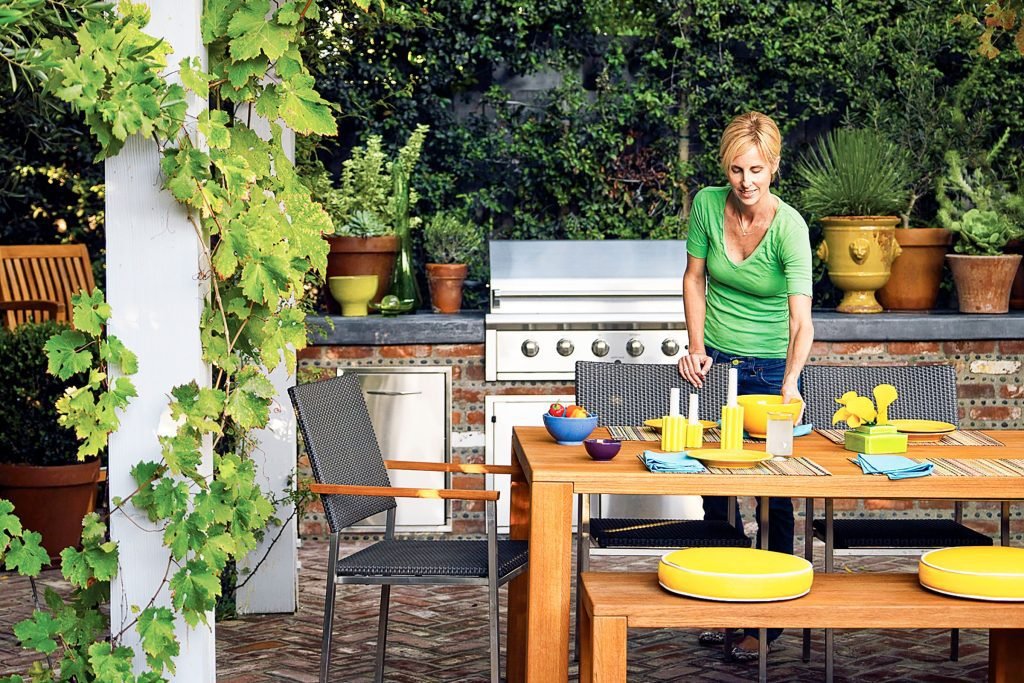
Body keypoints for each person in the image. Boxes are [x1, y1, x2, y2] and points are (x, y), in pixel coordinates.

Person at [677, 111, 814, 660]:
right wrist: (695, 346)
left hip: (768, 374)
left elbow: (802, 320)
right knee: (715, 493)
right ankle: (722, 605)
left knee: (773, 498)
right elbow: (693, 278)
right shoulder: (708, 206)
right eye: (737, 169)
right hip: (715, 369)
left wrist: (791, 383)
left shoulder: (790, 228)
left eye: (756, 169)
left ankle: (768, 621)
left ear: (773, 167)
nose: (746, 181)